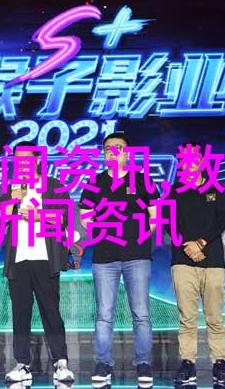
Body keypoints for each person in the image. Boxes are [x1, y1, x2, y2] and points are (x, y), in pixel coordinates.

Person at [79, 133, 158, 389]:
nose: (112, 152)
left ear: (127, 153)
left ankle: (143, 363)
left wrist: (141, 237)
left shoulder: (142, 180)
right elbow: (85, 216)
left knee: (141, 313)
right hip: (105, 258)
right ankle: (103, 363)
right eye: (108, 148)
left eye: (118, 147)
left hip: (137, 257)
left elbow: (155, 215)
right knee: (104, 314)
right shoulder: (95, 182)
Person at [1, 143, 74, 384]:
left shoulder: (53, 185)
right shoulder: (11, 189)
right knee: (20, 313)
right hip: (18, 259)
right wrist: (11, 202)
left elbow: (64, 218)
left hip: (45, 257)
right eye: (17, 159)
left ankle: (61, 362)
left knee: (51, 312)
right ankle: (22, 363)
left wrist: (38, 215)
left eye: (26, 158)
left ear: (37, 160)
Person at [166, 144, 225, 386]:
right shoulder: (173, 191)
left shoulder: (216, 188)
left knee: (214, 316)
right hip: (183, 262)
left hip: (213, 262)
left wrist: (201, 243)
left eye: (194, 157)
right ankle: (188, 363)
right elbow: (168, 222)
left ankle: (219, 363)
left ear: (203, 161)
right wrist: (187, 246)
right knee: (187, 317)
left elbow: (222, 220)